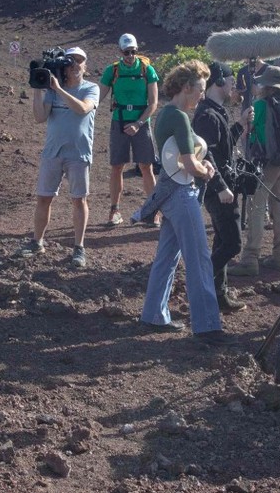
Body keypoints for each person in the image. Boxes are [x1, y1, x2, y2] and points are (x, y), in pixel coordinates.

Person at [140, 61, 233, 345]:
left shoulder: (166, 114)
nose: (202, 96)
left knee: (168, 257)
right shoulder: (179, 117)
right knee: (199, 259)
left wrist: (197, 164)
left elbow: (178, 158)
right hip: (182, 194)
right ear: (186, 87)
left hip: (168, 192)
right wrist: (206, 170)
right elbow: (188, 163)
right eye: (200, 90)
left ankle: (154, 315)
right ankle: (207, 326)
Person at [18, 47, 98, 267]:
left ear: (86, 66)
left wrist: (58, 89)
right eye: (70, 61)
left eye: (79, 61)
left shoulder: (91, 88)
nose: (74, 65)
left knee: (79, 200)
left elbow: (82, 109)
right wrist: (38, 87)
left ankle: (79, 248)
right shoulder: (52, 90)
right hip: (53, 152)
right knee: (44, 198)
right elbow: (39, 117)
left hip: (78, 153)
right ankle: (37, 242)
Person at [234, 65, 280, 278]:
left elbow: (249, 133)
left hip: (268, 163)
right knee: (279, 207)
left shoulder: (261, 105)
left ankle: (250, 258)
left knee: (256, 206)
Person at [192, 63, 246, 312]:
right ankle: (201, 286)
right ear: (220, 82)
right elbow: (208, 156)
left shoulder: (215, 112)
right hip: (219, 188)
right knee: (232, 244)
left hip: (223, 185)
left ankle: (218, 294)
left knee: (222, 240)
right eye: (231, 79)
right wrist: (222, 187)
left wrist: (241, 126)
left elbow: (222, 147)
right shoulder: (207, 115)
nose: (234, 84)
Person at [100, 33, 160, 226]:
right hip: (119, 121)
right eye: (126, 52)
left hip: (141, 122)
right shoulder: (113, 71)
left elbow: (153, 103)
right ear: (120, 51)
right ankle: (114, 210)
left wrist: (138, 124)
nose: (130, 55)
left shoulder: (147, 70)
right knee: (117, 166)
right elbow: (97, 96)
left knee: (146, 166)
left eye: (133, 51)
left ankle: (153, 210)